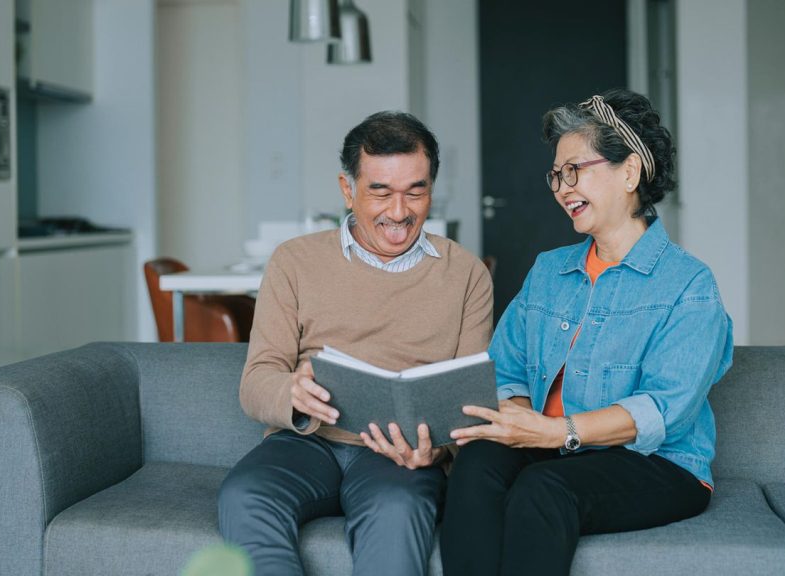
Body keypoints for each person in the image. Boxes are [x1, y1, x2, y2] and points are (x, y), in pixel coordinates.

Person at [440, 89, 734, 575]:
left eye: (575, 169)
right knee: (477, 463)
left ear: (630, 172)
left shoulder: (688, 284)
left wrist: (556, 431)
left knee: (543, 489)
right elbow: (505, 367)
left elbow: (665, 409)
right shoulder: (549, 271)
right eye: (556, 174)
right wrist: (517, 420)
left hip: (657, 464)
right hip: (551, 449)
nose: (561, 187)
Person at [218, 111, 493, 576]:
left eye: (415, 191)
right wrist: (293, 393)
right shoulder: (294, 262)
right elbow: (257, 379)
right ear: (348, 190)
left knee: (398, 509)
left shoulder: (467, 275)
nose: (399, 212)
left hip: (400, 456)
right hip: (306, 444)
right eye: (380, 191)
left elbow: (469, 401)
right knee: (243, 497)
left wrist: (439, 452)